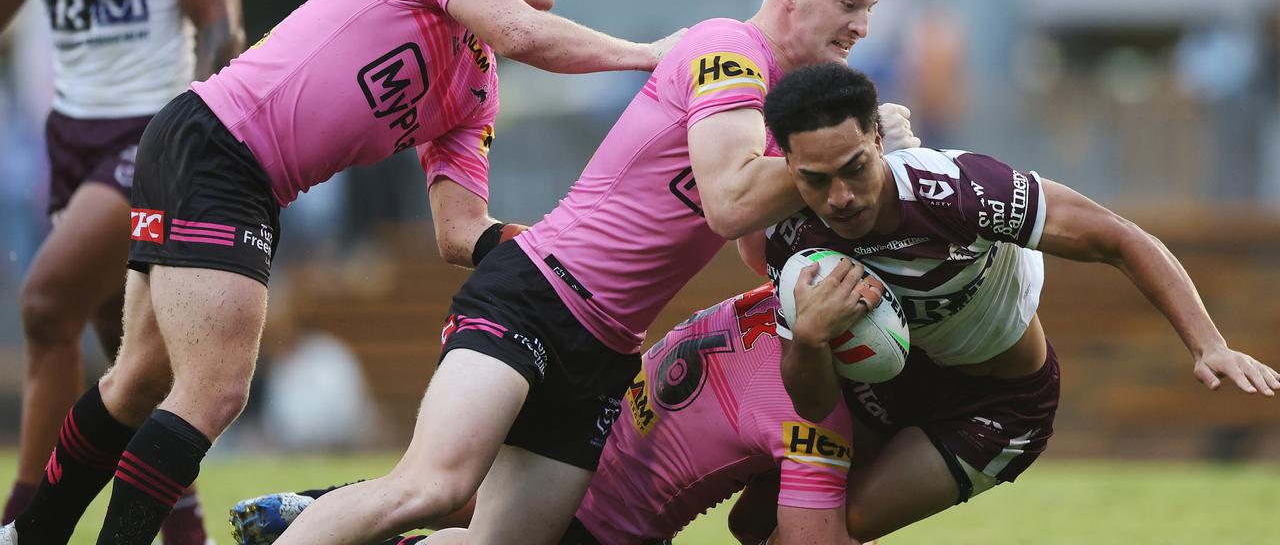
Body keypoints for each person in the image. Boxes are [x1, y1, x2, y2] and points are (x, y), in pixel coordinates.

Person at [0, 0, 680, 545]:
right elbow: (521, 35)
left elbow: (458, 231)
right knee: (215, 392)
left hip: (225, 164)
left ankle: (30, 536)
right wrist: (652, 55)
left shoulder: (475, 86)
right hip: (220, 146)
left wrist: (543, 248)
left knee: (139, 381)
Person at [270, 0, 909, 545]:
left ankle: (309, 525)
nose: (862, 25)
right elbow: (729, 201)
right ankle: (309, 525)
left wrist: (845, 183)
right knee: (435, 488)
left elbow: (750, 249)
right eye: (850, 1)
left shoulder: (783, 115)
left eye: (869, 8)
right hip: (540, 297)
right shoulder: (729, 46)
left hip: (606, 349)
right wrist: (856, 155)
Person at [733, 62, 1280, 543]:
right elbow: (810, 402)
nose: (841, 197)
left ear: (878, 139)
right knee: (751, 523)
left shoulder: (963, 191)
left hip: (993, 405)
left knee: (819, 534)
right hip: (886, 389)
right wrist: (809, 338)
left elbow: (1120, 237)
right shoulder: (794, 241)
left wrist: (1209, 345)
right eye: (815, 180)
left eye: (854, 167)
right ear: (790, 171)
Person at [0, 0, 243, 542]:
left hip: (147, 144)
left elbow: (223, 27)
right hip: (69, 149)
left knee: (46, 306)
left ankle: (24, 524)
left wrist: (197, 147)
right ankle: (186, 531)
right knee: (132, 363)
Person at [228, 284, 857, 545]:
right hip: (612, 520)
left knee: (454, 497)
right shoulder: (814, 417)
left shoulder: (759, 296)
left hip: (590, 428)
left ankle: (319, 510)